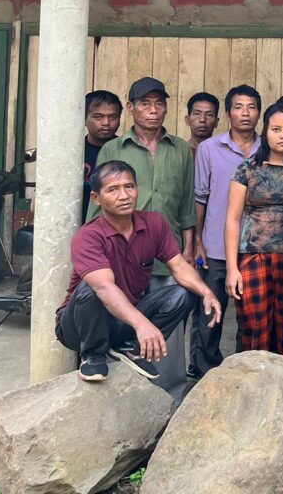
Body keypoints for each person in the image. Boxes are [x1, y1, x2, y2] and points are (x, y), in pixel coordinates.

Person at [57, 161, 221, 382]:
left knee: (184, 293)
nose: (124, 195)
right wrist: (141, 324)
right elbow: (103, 287)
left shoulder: (154, 224)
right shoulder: (88, 237)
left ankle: (131, 347)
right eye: (113, 189)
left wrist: (207, 293)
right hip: (78, 326)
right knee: (91, 287)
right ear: (96, 198)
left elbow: (179, 266)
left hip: (123, 317)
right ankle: (93, 354)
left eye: (129, 187)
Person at [88, 76, 196, 402]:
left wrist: (190, 248)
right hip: (123, 256)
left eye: (159, 103)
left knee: (171, 333)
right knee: (123, 324)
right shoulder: (113, 148)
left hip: (168, 255)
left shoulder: (180, 150)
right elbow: (100, 204)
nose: (153, 110)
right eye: (145, 104)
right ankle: (127, 402)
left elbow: (187, 204)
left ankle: (170, 400)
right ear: (131, 108)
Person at [189, 84, 261, 380]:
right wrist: (196, 242)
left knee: (250, 317)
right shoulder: (209, 148)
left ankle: (241, 374)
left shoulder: (268, 146)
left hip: (256, 246)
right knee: (209, 314)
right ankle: (206, 374)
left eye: (251, 107)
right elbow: (199, 198)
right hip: (215, 246)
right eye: (238, 107)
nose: (245, 113)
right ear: (228, 113)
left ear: (259, 112)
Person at [224, 103, 283, 355]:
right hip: (253, 258)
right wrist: (231, 269)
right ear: (265, 132)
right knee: (255, 329)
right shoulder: (247, 169)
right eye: (276, 129)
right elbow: (232, 220)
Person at [83, 90, 123, 223]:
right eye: (98, 117)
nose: (106, 123)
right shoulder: (72, 153)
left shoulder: (127, 150)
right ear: (84, 118)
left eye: (113, 117)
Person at [184, 92, 220, 157]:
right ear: (187, 120)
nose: (202, 120)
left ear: (216, 122)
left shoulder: (222, 154)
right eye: (197, 114)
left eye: (209, 115)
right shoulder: (179, 152)